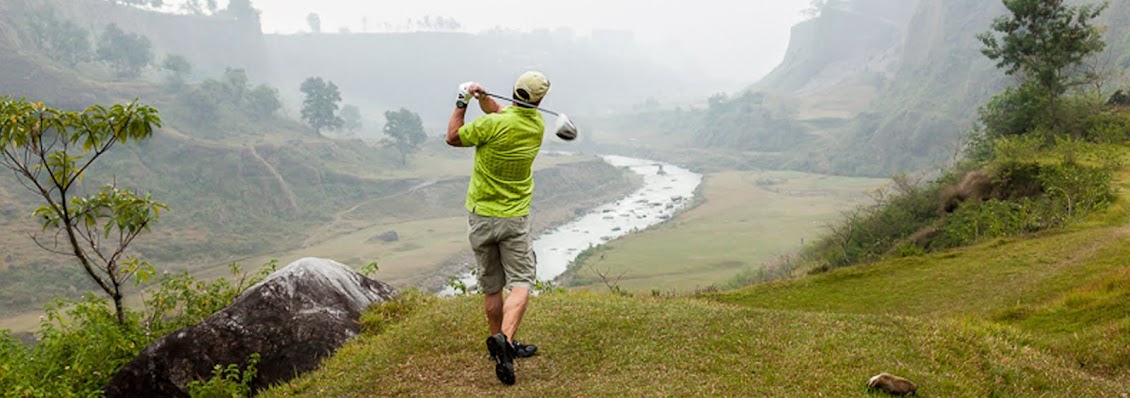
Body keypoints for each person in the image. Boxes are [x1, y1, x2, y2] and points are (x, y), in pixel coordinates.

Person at [445, 71, 550, 385]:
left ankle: (498, 345)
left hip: (481, 216)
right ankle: (504, 342)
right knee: (520, 282)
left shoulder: (491, 125)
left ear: (514, 92)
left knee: (492, 286)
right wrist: (484, 99)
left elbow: (452, 136)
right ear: (539, 100)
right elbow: (503, 112)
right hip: (514, 219)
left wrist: (463, 100)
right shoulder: (536, 126)